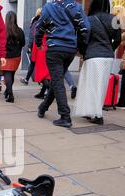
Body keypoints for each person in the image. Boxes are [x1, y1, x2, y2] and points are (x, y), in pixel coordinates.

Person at [35, 0, 90, 128]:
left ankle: (65, 116)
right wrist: (81, 46)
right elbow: (85, 28)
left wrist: (38, 43)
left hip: (55, 48)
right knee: (56, 80)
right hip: (70, 49)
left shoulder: (49, 7)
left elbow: (40, 26)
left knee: (58, 81)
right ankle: (43, 107)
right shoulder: (76, 7)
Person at [72, 0, 121, 125]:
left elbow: (82, 38)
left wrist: (83, 52)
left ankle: (96, 114)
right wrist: (111, 47)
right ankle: (94, 112)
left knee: (90, 85)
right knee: (101, 85)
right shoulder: (114, 19)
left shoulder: (88, 20)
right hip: (108, 56)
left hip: (93, 56)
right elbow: (118, 39)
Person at [2, 11, 25, 103]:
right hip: (16, 56)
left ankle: (10, 94)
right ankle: (7, 91)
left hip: (6, 56)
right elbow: (23, 43)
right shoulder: (20, 31)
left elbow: (1, 44)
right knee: (11, 74)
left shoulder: (4, 31)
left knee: (7, 74)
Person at [21, 8, 42, 86]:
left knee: (33, 63)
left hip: (36, 47)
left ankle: (37, 80)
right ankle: (30, 79)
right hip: (42, 46)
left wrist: (30, 46)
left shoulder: (35, 22)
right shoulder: (44, 22)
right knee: (34, 64)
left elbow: (32, 35)